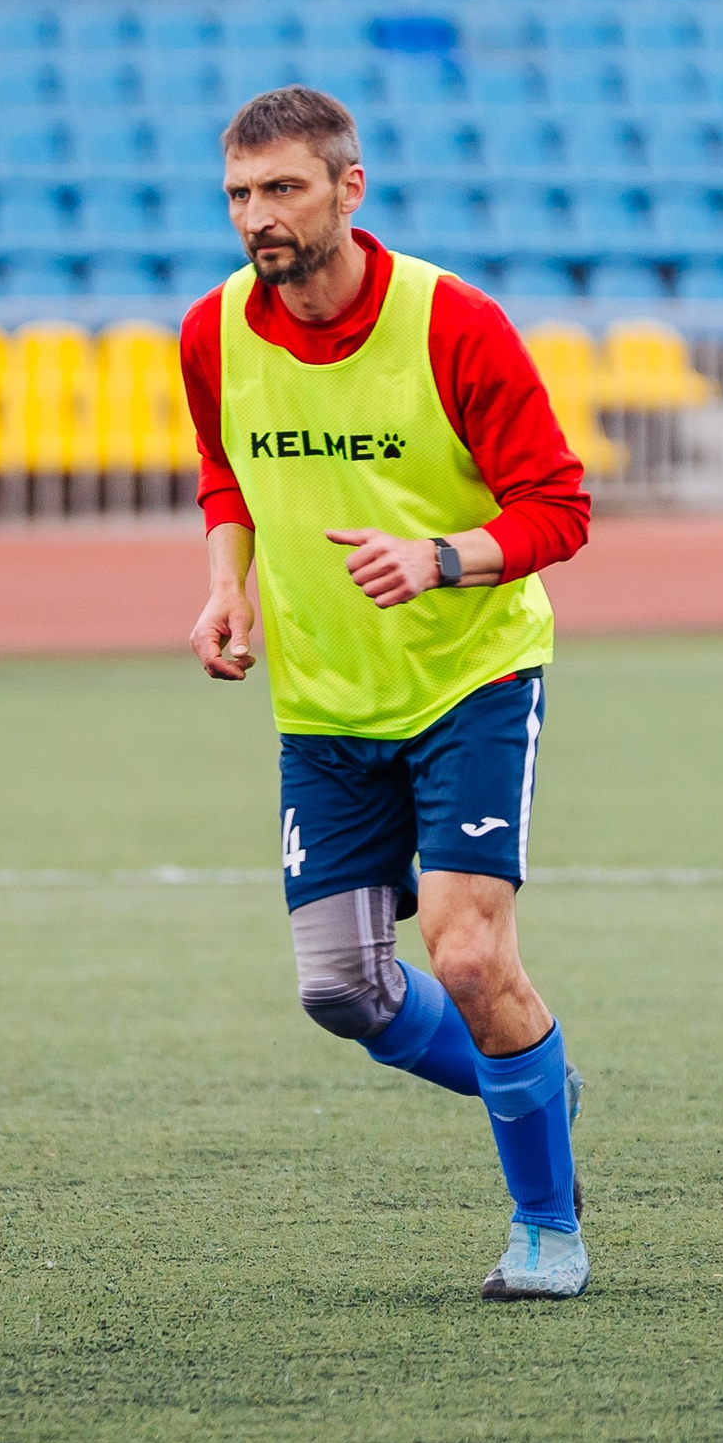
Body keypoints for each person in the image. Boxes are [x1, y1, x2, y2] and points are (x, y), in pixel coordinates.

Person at [178, 87, 599, 1296]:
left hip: (469, 677)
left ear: (348, 189)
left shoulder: (453, 322)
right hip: (322, 704)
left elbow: (560, 507)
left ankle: (546, 1226)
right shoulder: (212, 331)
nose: (257, 215)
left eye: (282, 188)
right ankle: (537, 1080)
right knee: (341, 990)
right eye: (239, 193)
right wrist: (226, 587)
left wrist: (440, 557)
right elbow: (224, 468)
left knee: (465, 954)